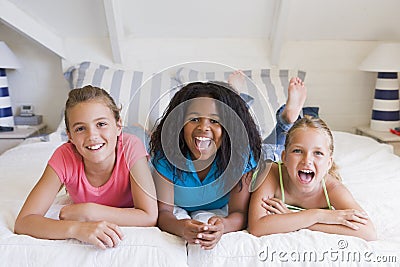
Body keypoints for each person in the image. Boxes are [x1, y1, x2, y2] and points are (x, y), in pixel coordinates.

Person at [14, 85, 158, 249]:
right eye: (80, 128)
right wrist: (76, 228)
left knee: (145, 141)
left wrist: (88, 212)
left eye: (101, 123)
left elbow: (149, 216)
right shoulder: (64, 156)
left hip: (132, 140)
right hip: (112, 139)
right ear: (70, 136)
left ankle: (139, 129)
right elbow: (24, 222)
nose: (92, 136)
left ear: (118, 126)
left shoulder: (131, 146)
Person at [150, 81, 262, 250]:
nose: (203, 127)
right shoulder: (166, 155)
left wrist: (224, 225)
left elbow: (240, 212)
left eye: (215, 121)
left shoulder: (241, 158)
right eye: (194, 119)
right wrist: (181, 227)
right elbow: (164, 213)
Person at [247, 114, 377, 240]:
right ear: (285, 158)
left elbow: (368, 232)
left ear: (329, 163)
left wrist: (294, 216)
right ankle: (286, 120)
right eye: (297, 151)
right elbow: (257, 226)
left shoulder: (332, 188)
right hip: (267, 158)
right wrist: (318, 215)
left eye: (318, 153)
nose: (307, 160)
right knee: (259, 151)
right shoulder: (271, 172)